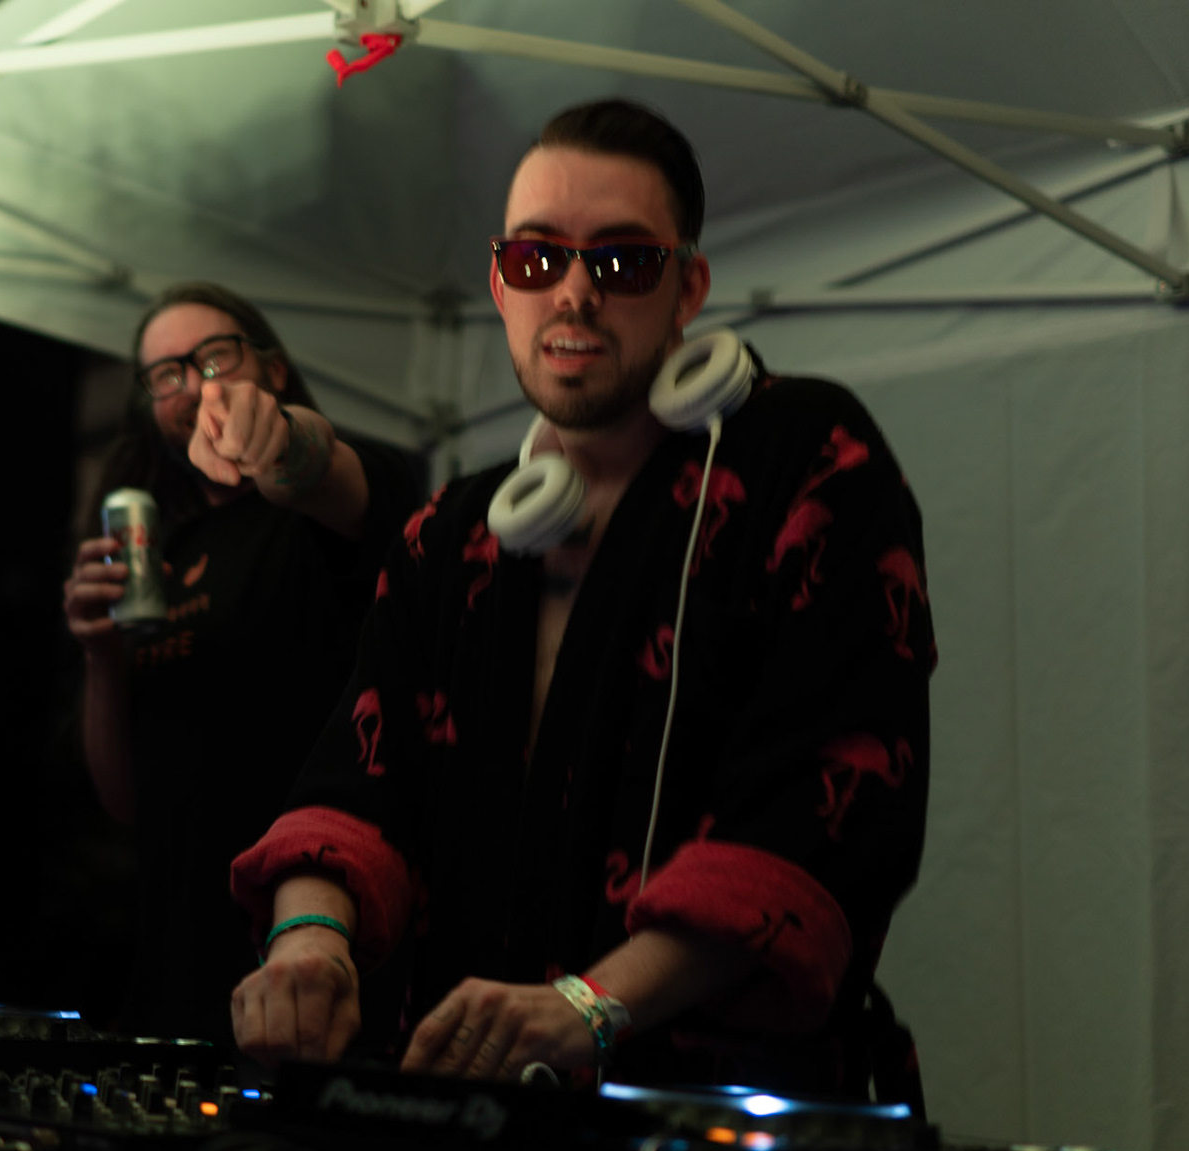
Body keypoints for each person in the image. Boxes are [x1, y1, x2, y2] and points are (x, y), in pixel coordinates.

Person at [228, 100, 935, 1100]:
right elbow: (354, 783)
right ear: (499, 283)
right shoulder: (453, 532)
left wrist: (593, 1004)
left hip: (720, 1118)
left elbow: (833, 800)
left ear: (688, 288)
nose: (572, 293)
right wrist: (309, 945)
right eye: (536, 259)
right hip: (471, 1115)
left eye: (623, 262)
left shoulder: (808, 460)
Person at [63, 282, 419, 1043]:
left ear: (274, 370)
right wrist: (99, 653)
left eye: (214, 358)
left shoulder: (321, 509)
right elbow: (124, 801)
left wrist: (283, 442)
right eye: (166, 374)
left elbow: (324, 469)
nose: (195, 386)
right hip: (171, 965)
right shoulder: (162, 551)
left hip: (313, 949)